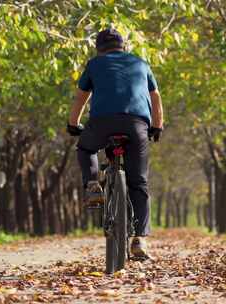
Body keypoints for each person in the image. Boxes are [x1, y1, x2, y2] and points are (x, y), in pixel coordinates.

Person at [66, 28, 164, 259]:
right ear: (123, 46)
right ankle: (139, 239)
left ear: (99, 48)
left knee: (86, 147)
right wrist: (157, 126)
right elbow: (155, 97)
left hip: (102, 123)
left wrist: (73, 124)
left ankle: (92, 185)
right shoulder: (141, 64)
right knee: (138, 182)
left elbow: (81, 97)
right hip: (136, 125)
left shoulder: (94, 64)